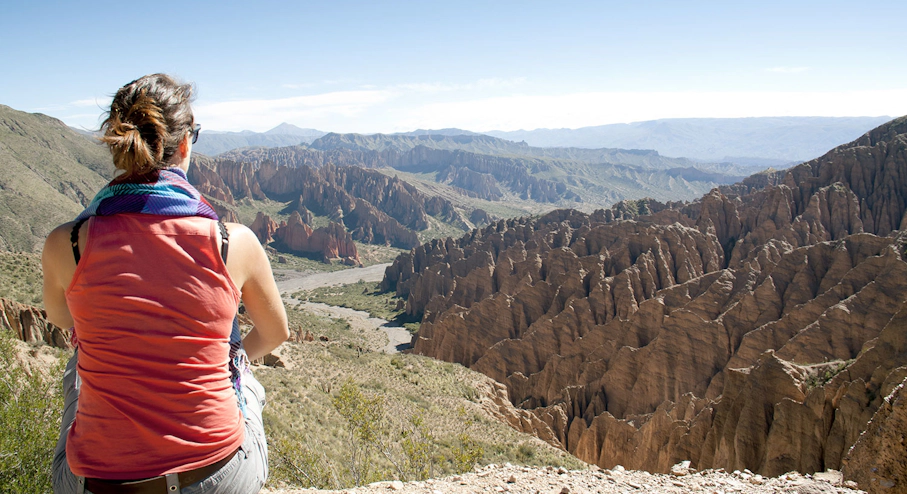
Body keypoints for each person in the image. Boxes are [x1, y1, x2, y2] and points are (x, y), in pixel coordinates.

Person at [42, 74, 289, 494]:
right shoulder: (233, 242)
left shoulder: (66, 243)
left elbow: (63, 319)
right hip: (219, 478)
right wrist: (224, 358)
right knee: (243, 374)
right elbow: (275, 333)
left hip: (98, 484)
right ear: (186, 144)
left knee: (76, 368)